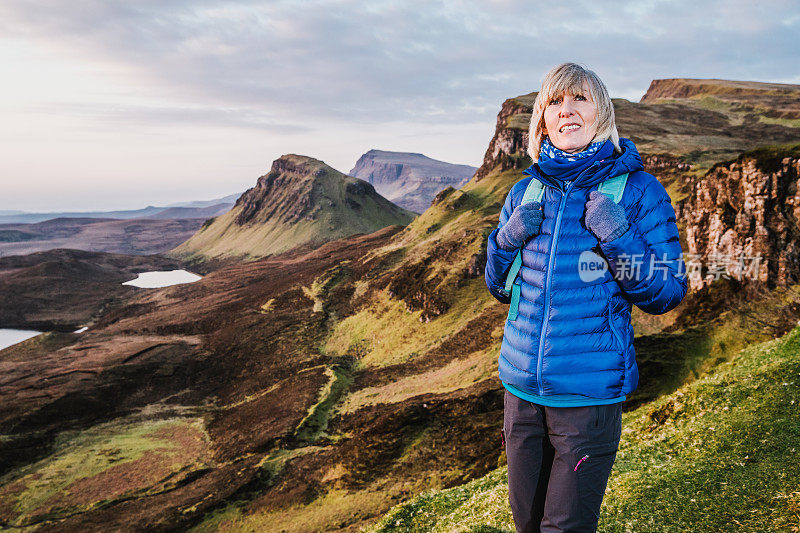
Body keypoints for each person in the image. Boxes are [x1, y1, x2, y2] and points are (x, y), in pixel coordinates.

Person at [484, 62, 688, 532]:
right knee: (528, 524)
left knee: (565, 527)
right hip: (521, 392)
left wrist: (617, 236)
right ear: (541, 120)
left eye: (581, 99)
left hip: (587, 399)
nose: (567, 110)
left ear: (603, 113)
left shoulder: (638, 192)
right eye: (555, 101)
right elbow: (499, 286)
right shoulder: (524, 191)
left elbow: (667, 291)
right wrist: (506, 241)